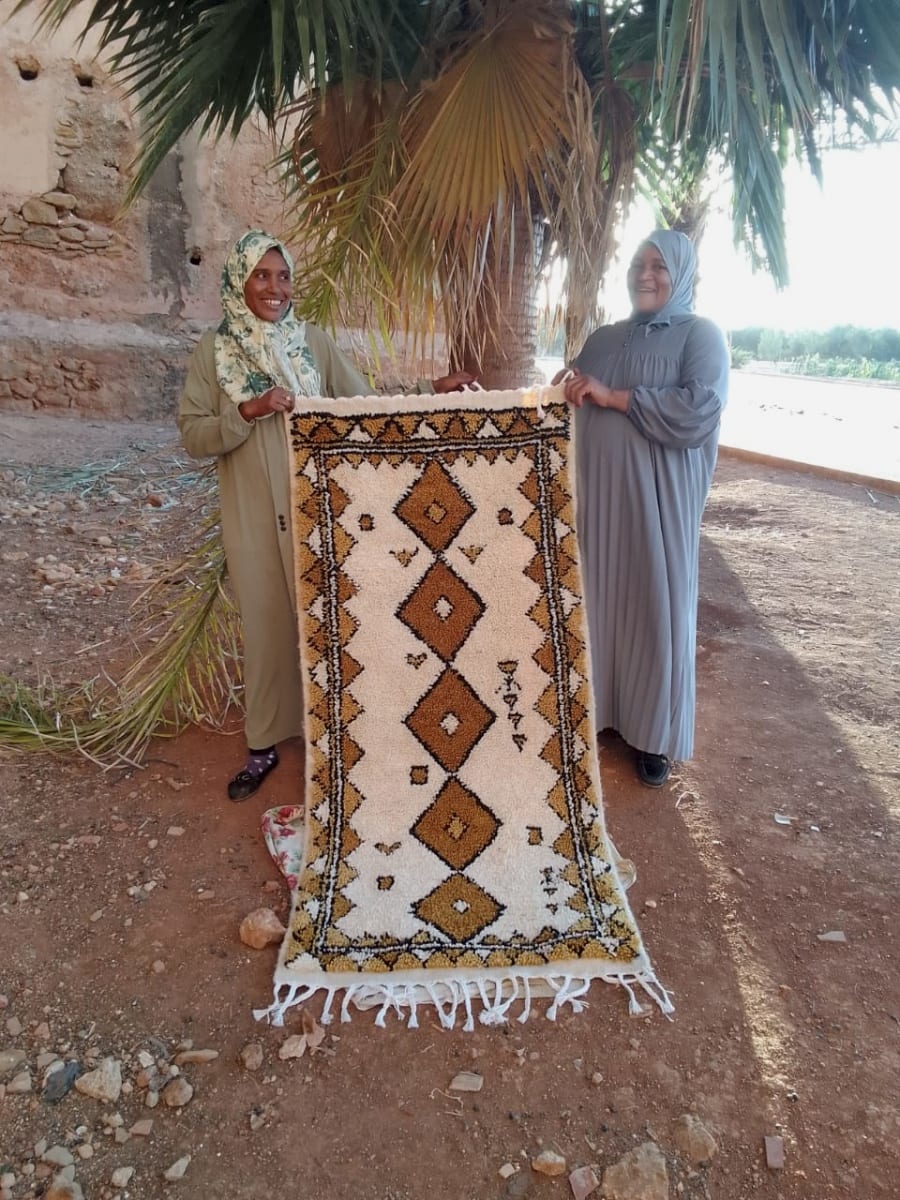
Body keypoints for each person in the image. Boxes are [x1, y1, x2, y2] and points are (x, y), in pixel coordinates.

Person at [178, 230, 473, 801]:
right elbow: (193, 434)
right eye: (261, 275)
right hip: (253, 521)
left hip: (321, 516)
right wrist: (248, 410)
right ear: (239, 280)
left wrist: (429, 390)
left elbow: (360, 406)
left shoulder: (312, 342)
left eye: (282, 275)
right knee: (265, 628)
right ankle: (264, 744)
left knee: (330, 623)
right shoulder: (212, 354)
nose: (273, 287)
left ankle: (337, 738)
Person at [557, 229, 729, 787]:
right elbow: (570, 399)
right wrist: (565, 388)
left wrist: (610, 396)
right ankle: (599, 714)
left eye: (658, 265)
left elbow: (698, 410)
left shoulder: (700, 336)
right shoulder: (604, 337)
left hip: (657, 509)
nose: (645, 274)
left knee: (654, 607)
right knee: (597, 603)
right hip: (596, 501)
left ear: (681, 274)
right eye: (637, 264)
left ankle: (653, 737)